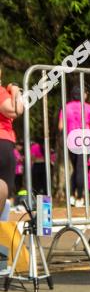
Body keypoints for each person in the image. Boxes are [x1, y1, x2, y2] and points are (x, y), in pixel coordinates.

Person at [58, 86, 90, 207]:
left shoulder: (66, 107)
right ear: (83, 95)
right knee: (81, 168)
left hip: (71, 140)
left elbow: (60, 126)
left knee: (75, 168)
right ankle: (80, 197)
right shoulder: (89, 108)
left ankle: (71, 196)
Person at [0, 69, 24, 220]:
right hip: (2, 141)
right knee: (4, 187)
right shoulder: (2, 92)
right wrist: (15, 89)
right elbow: (16, 110)